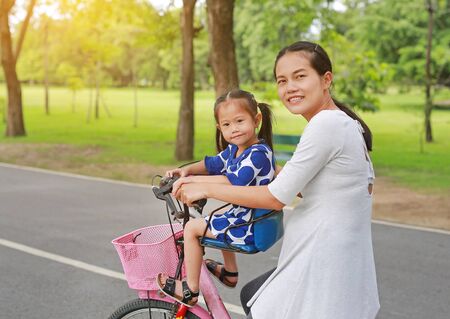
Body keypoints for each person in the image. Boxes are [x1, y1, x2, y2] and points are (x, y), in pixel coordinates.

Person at [173, 41, 380, 319]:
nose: (290, 87)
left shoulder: (326, 125)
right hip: (332, 260)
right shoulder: (344, 123)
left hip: (322, 263)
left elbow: (274, 197)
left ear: (326, 79)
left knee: (258, 301)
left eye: (300, 76)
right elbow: (316, 188)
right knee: (252, 295)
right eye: (282, 80)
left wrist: (202, 187)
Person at [157, 89, 276, 307]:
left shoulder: (258, 154)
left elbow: (235, 181)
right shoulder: (235, 150)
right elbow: (212, 164)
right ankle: (230, 273)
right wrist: (185, 171)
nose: (234, 129)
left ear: (256, 119)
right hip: (248, 216)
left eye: (240, 121)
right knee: (217, 214)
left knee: (192, 229)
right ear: (219, 128)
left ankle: (190, 289)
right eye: (227, 125)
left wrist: (196, 184)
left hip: (250, 225)